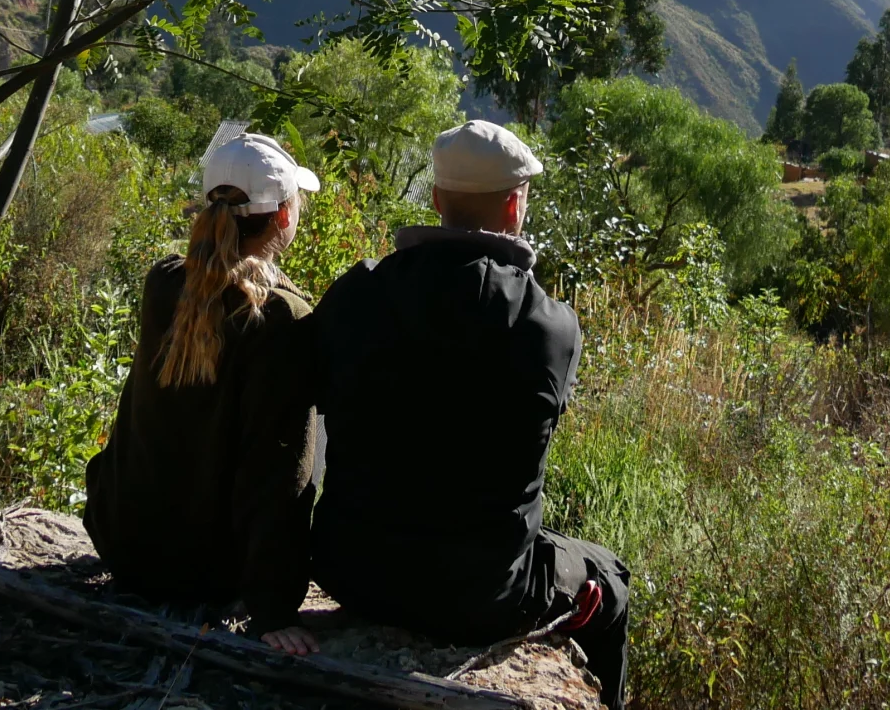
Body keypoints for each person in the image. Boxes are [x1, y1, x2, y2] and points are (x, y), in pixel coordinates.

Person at [309, 119, 631, 708]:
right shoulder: (549, 327)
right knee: (610, 576)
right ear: (514, 205)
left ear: (435, 200)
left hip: (350, 568)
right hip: (483, 594)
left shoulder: (354, 296)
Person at [84, 122, 324, 653]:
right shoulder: (283, 319)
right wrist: (273, 610)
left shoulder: (164, 281)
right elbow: (279, 469)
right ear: (284, 214)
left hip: (122, 545)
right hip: (206, 575)